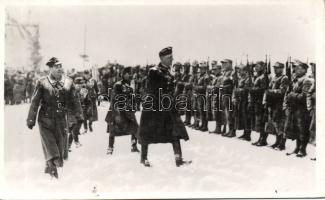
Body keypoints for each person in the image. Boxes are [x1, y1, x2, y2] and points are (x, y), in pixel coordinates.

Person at [26, 57, 83, 178]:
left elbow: (75, 100)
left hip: (61, 120)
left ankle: (50, 167)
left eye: (60, 66)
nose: (59, 69)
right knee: (51, 147)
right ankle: (53, 171)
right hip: (45, 119)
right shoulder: (42, 82)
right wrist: (31, 118)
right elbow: (35, 102)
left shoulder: (68, 82)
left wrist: (79, 115)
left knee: (60, 147)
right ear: (50, 68)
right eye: (56, 67)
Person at [136, 47, 191, 167]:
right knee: (147, 132)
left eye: (172, 57)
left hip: (167, 106)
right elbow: (153, 89)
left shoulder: (169, 72)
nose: (172, 59)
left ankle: (178, 159)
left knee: (175, 131)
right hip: (154, 107)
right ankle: (143, 158)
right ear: (161, 58)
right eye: (169, 57)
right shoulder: (154, 71)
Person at [105, 67, 140, 155]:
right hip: (118, 110)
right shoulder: (118, 85)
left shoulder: (131, 85)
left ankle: (134, 146)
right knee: (113, 129)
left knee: (134, 127)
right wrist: (116, 113)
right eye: (127, 73)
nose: (129, 75)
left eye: (130, 73)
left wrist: (134, 107)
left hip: (128, 111)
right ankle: (110, 147)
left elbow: (133, 98)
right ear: (123, 74)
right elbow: (114, 99)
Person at [284, 60, 313, 157]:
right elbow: (288, 92)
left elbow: (304, 97)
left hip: (302, 109)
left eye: (298, 68)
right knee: (296, 128)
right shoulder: (295, 79)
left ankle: (303, 149)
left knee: (303, 129)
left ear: (304, 70)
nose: (295, 69)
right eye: (295, 67)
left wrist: (292, 95)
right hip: (295, 108)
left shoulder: (307, 80)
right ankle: (297, 148)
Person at [264, 62, 289, 150]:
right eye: (274, 68)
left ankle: (282, 144)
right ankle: (277, 141)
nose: (275, 69)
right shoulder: (274, 77)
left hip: (279, 103)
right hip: (273, 103)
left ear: (282, 68)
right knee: (275, 122)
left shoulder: (284, 78)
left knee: (280, 123)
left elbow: (282, 91)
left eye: (277, 68)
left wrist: (270, 92)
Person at [250, 61, 269, 146]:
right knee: (259, 121)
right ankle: (260, 138)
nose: (255, 68)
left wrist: (252, 90)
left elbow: (263, 89)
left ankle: (263, 139)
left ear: (262, 67)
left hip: (261, 101)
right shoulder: (257, 76)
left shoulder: (264, 77)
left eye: (257, 66)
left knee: (262, 121)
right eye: (255, 66)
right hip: (257, 101)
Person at [232, 64, 253, 140]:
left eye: (240, 70)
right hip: (240, 101)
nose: (239, 72)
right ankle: (244, 133)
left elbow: (246, 90)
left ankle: (248, 135)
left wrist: (238, 91)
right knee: (242, 117)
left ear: (245, 71)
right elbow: (236, 89)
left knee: (246, 117)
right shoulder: (240, 78)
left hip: (246, 100)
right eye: (238, 70)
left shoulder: (248, 79)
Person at [220, 59, 236, 137]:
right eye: (223, 63)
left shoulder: (232, 73)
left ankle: (232, 131)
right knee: (225, 113)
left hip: (229, 95)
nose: (223, 65)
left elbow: (234, 85)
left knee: (230, 114)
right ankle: (227, 129)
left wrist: (223, 87)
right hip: (224, 95)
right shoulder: (224, 73)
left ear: (230, 64)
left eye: (225, 63)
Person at [68, 76, 84, 151]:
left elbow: (79, 102)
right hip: (71, 112)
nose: (80, 86)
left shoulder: (78, 92)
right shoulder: (72, 91)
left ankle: (68, 146)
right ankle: (76, 141)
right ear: (75, 84)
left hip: (77, 112)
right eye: (78, 85)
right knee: (74, 127)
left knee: (74, 128)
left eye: (81, 85)